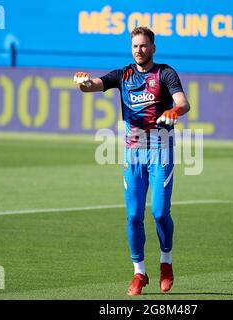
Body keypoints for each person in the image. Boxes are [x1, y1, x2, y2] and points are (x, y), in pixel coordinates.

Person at [73, 26, 190, 296]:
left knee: (160, 213)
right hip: (133, 153)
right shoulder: (123, 75)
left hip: (160, 151)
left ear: (153, 48)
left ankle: (166, 263)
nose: (139, 50)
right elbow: (92, 86)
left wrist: (174, 111)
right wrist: (82, 82)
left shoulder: (165, 73)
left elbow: (184, 103)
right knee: (133, 215)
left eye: (144, 46)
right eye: (135, 46)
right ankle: (139, 273)